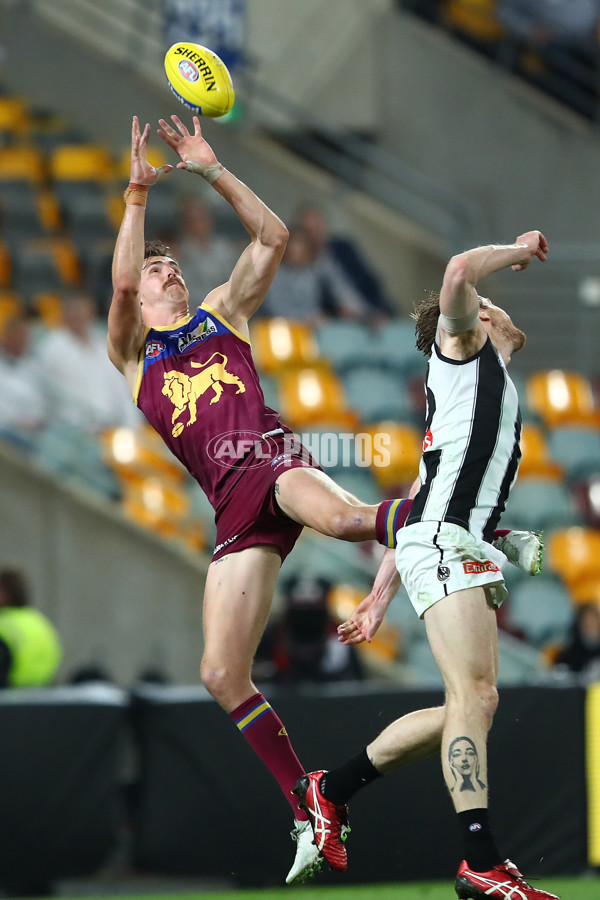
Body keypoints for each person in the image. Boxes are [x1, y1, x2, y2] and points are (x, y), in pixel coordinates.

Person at [108, 115, 542, 885]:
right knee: (220, 673)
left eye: (171, 264)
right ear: (140, 295)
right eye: (156, 269)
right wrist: (138, 195)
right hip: (234, 509)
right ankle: (311, 798)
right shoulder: (133, 353)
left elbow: (272, 238)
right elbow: (116, 282)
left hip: (271, 462)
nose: (166, 271)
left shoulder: (219, 313)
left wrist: (212, 171)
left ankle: (481, 531)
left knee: (346, 521)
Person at [293, 231, 561, 900]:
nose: (491, 308)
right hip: (445, 546)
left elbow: (417, 500)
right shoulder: (464, 350)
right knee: (476, 699)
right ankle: (479, 861)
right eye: (488, 304)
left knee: (470, 705)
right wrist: (519, 248)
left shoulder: (480, 389)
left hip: (440, 541)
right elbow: (458, 269)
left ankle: (331, 788)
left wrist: (381, 596)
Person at [0, 568, 62, 688]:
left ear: (6, 593)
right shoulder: (40, 623)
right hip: (42, 697)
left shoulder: (4, 625)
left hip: (8, 698)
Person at [553, 601, 600, 682]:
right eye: (587, 623)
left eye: (594, 622)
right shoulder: (569, 654)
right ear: (579, 625)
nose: (591, 627)